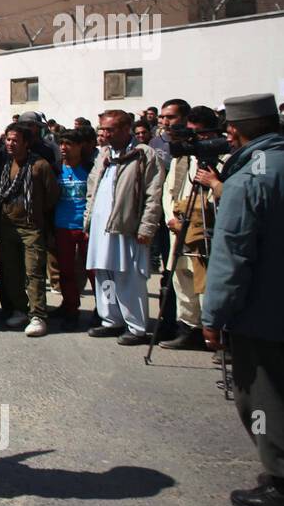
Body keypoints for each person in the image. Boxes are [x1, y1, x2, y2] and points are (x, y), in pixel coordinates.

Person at [202, 93, 284, 506]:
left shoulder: (249, 180)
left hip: (262, 314)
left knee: (265, 400)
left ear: (234, 131)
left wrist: (214, 316)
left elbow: (231, 256)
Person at [84, 109, 164, 345]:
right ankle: (111, 319)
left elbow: (153, 194)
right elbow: (93, 189)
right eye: (103, 129)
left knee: (128, 276)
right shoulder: (104, 154)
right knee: (104, 273)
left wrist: (147, 228)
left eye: (109, 129)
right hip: (101, 226)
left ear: (125, 129)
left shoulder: (144, 154)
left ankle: (136, 326)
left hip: (127, 226)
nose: (104, 134)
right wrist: (88, 220)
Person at [159, 106, 223, 351]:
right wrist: (170, 217)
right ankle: (189, 328)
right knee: (182, 278)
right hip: (179, 225)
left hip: (206, 229)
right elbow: (169, 190)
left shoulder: (222, 156)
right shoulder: (185, 155)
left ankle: (214, 331)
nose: (195, 139)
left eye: (199, 133)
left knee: (206, 282)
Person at [0, 123, 60, 337]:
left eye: (15, 140)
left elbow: (51, 196)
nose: (10, 144)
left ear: (26, 143)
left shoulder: (39, 166)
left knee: (33, 273)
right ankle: (20, 309)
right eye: (8, 139)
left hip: (32, 227)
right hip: (9, 227)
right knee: (12, 272)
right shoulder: (6, 163)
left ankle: (38, 315)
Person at [52, 129, 93, 328]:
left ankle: (103, 311)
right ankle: (70, 308)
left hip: (86, 227)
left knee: (93, 271)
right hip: (63, 226)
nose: (64, 148)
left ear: (80, 146)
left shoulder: (91, 169)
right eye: (61, 144)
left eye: (69, 144)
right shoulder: (56, 169)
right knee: (66, 271)